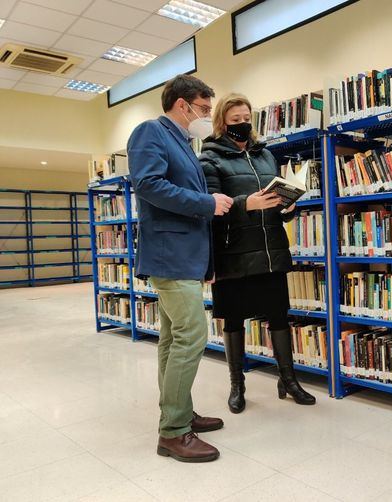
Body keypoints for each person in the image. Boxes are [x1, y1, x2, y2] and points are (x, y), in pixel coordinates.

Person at [127, 74, 234, 463]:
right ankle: (173, 432)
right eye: (204, 109)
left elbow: (181, 191)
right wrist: (207, 203)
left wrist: (205, 258)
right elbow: (149, 185)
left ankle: (179, 412)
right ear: (181, 104)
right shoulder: (150, 132)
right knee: (192, 335)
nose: (207, 116)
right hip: (169, 255)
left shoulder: (187, 142)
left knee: (174, 340)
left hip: (185, 255)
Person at [200, 93, 316, 414]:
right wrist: (245, 204)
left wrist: (289, 206)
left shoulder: (266, 156)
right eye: (235, 119)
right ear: (222, 122)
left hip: (271, 251)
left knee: (279, 317)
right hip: (232, 254)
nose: (242, 124)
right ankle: (237, 385)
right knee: (234, 321)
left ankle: (288, 380)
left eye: (246, 118)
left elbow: (277, 205)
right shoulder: (209, 160)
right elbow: (209, 208)